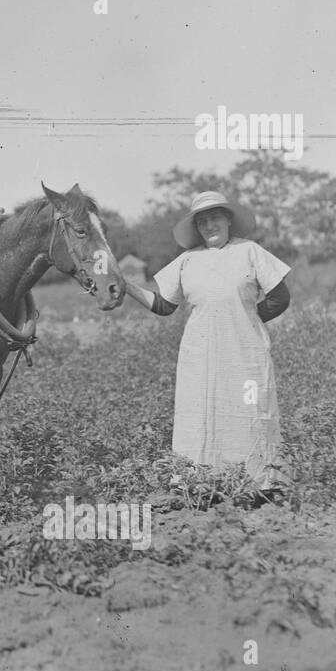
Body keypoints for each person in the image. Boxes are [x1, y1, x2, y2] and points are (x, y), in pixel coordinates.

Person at [123, 191, 292, 498]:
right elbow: (164, 305)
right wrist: (126, 286)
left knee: (250, 412)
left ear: (228, 220)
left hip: (245, 352)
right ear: (196, 228)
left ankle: (258, 487)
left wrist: (247, 319)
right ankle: (199, 487)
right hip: (200, 354)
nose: (209, 225)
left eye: (215, 217)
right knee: (200, 415)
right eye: (202, 221)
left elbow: (280, 297)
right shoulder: (188, 261)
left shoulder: (250, 251)